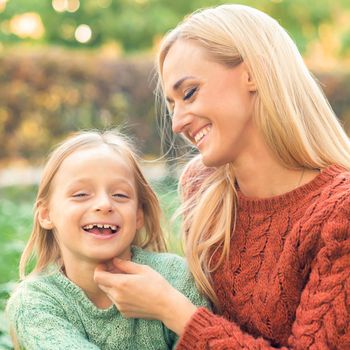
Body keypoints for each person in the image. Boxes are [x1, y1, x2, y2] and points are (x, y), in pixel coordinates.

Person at [93, 4, 350, 349]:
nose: (177, 122)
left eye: (189, 93)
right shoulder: (202, 187)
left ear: (253, 73)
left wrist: (174, 312)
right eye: (172, 105)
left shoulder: (340, 212)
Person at [6, 130, 209, 350]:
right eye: (81, 194)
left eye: (120, 195)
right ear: (46, 215)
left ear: (138, 215)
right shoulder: (34, 303)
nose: (104, 204)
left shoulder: (176, 279)